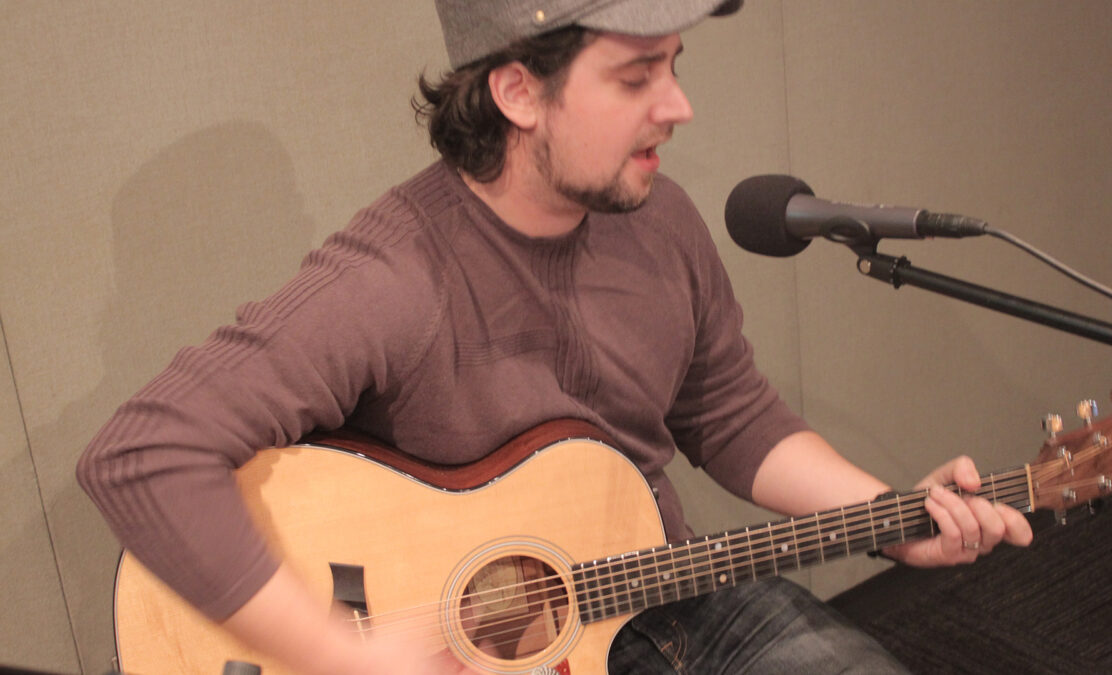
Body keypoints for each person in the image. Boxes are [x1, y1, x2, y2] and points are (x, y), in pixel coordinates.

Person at [78, 1, 1034, 673]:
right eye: (634, 76)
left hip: (671, 593)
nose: (678, 106)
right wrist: (340, 653)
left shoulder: (664, 223)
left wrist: (895, 516)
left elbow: (731, 414)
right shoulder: (391, 278)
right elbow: (138, 455)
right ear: (518, 94)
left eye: (674, 68)